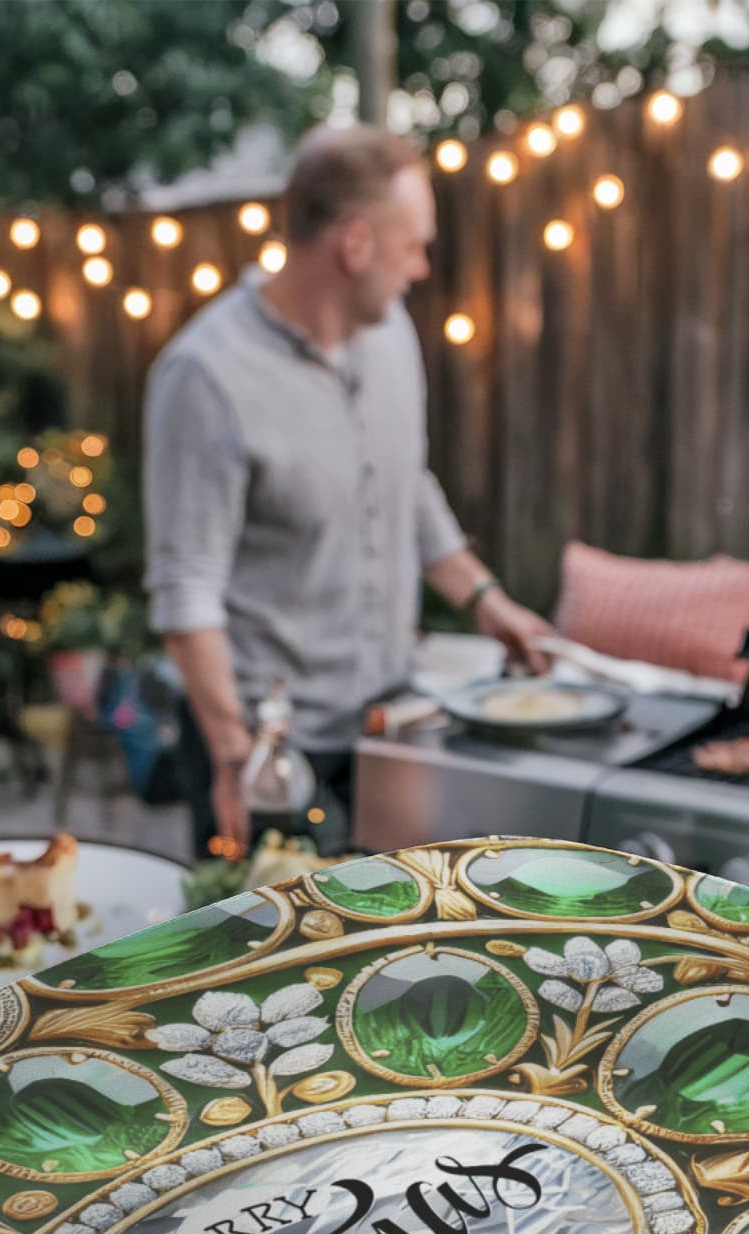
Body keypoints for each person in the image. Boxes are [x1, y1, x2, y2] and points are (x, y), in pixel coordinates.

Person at [143, 123, 553, 855]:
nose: (423, 267)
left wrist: (486, 600)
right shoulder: (206, 376)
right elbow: (185, 591)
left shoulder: (392, 333)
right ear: (354, 243)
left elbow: (406, 480)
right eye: (413, 245)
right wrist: (236, 759)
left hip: (386, 733)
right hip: (268, 756)